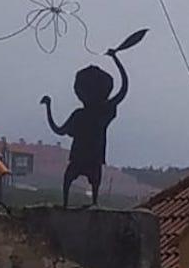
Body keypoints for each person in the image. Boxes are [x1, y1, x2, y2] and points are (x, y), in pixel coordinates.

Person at [41, 51, 129, 208]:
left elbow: (59, 130)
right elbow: (123, 89)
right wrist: (116, 59)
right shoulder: (102, 112)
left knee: (70, 178)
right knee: (84, 178)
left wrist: (48, 106)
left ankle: (71, 204)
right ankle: (89, 202)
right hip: (91, 157)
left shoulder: (84, 114)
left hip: (84, 157)